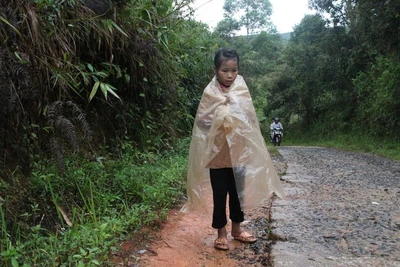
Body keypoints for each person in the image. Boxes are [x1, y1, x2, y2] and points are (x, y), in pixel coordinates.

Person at [180, 48, 285, 251]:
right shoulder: (210, 93)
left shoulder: (241, 89)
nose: (229, 75)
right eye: (224, 70)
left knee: (238, 194)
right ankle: (221, 234)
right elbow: (201, 121)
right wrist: (219, 114)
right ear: (216, 70)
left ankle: (237, 230)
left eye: (234, 70)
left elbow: (249, 120)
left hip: (239, 152)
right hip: (217, 154)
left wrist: (233, 113)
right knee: (220, 195)